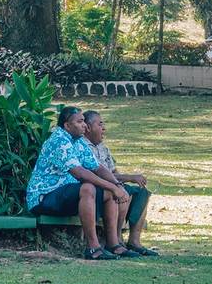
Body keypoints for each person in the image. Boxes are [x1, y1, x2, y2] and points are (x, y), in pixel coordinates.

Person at [26, 106, 140, 260]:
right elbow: (79, 173)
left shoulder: (78, 142)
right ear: (67, 125)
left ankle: (113, 244)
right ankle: (93, 248)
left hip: (66, 195)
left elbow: (98, 167)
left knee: (107, 192)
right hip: (45, 197)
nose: (84, 125)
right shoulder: (59, 140)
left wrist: (116, 185)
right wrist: (113, 187)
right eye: (79, 122)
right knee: (88, 188)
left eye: (84, 121)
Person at [81, 110, 159, 256]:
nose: (104, 128)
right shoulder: (83, 146)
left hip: (112, 182)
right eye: (100, 124)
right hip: (100, 186)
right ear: (88, 128)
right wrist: (129, 178)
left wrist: (122, 180)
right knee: (121, 193)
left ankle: (134, 241)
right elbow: (95, 173)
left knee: (142, 193)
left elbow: (113, 171)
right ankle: (116, 240)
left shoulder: (103, 147)